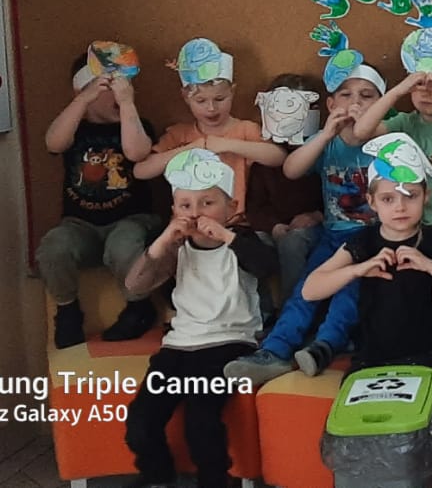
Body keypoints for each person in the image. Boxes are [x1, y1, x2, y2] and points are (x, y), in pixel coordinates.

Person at [224, 57, 383, 386]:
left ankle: (325, 345)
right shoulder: (327, 143)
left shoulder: (385, 141)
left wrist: (371, 126)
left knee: (348, 290)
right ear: (330, 104)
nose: (355, 103)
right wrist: (325, 135)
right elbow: (291, 169)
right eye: (345, 95)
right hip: (333, 234)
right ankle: (275, 350)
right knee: (305, 290)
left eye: (367, 96)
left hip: (372, 236)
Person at [122, 149, 275, 488]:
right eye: (186, 205)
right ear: (174, 210)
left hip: (230, 343)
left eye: (208, 203)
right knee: (141, 422)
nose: (196, 213)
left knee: (201, 422)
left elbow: (266, 266)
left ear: (231, 207)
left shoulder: (242, 242)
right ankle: (158, 476)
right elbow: (134, 286)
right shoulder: (175, 248)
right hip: (178, 347)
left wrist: (227, 236)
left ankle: (214, 481)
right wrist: (164, 240)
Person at [301, 131, 432, 378]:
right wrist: (357, 269)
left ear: (426, 196)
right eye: (388, 199)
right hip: (372, 357)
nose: (400, 207)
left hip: (428, 356)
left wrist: (431, 267)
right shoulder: (365, 241)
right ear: (372, 202)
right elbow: (310, 290)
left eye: (410, 196)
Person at [37, 49, 159, 346]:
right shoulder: (74, 129)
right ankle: (67, 311)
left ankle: (139, 306)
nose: (121, 92)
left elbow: (137, 153)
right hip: (81, 226)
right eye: (111, 86)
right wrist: (82, 100)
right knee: (53, 247)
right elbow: (53, 142)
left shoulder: (137, 124)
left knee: (122, 245)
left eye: (126, 85)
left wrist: (127, 104)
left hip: (133, 220)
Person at [133, 37, 286, 226]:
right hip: (189, 224)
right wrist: (190, 148)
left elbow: (278, 157)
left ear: (232, 92)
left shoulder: (245, 129)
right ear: (186, 97)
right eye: (201, 101)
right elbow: (141, 171)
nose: (211, 108)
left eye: (219, 99)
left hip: (234, 223)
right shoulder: (179, 134)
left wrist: (228, 145)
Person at [354, 43, 432, 231]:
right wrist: (398, 91)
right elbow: (361, 132)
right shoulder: (405, 123)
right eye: (418, 84)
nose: (425, 92)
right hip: (410, 226)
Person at [244, 72, 324, 328]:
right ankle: (261, 313)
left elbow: (335, 196)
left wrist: (315, 216)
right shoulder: (265, 158)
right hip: (275, 226)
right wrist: (274, 226)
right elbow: (255, 206)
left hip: (314, 226)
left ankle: (292, 315)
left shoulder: (321, 149)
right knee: (248, 242)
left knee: (294, 242)